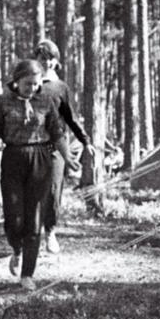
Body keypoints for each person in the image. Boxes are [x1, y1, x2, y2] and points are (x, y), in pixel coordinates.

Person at [0, 59, 72, 291]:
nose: (32, 88)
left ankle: (27, 274)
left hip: (41, 160)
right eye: (28, 84)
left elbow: (56, 132)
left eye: (35, 84)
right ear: (16, 81)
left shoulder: (45, 100)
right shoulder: (2, 102)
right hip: (13, 159)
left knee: (34, 219)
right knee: (14, 218)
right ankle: (16, 249)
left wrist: (68, 157)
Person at [33, 39, 96, 254]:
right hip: (30, 146)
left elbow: (71, 118)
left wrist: (85, 140)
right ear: (37, 60)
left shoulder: (60, 88)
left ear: (56, 61)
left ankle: (50, 232)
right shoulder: (27, 84)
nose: (47, 62)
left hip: (55, 147)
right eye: (42, 58)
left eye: (50, 58)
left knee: (52, 191)